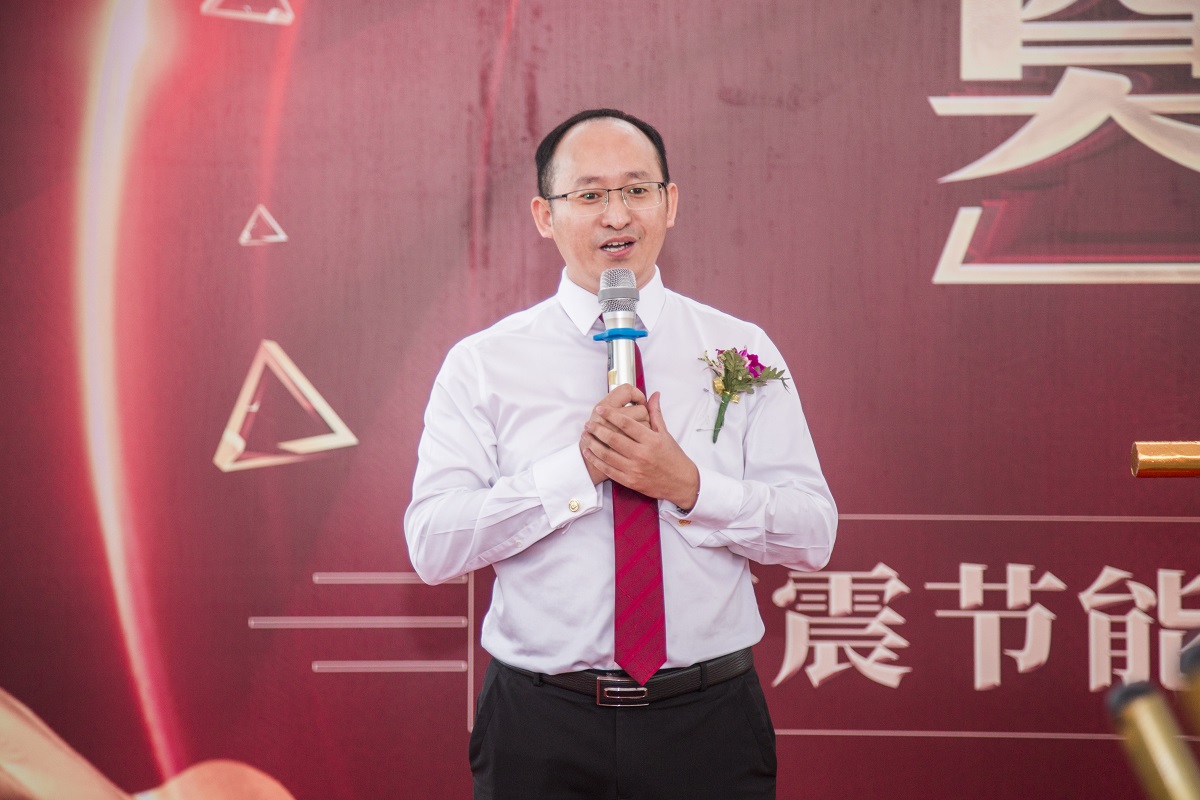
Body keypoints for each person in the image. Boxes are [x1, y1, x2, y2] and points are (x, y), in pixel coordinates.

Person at [404, 108, 837, 799]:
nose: (617, 215)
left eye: (637, 190)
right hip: (540, 725)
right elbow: (433, 546)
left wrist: (690, 486)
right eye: (590, 194)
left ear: (670, 203)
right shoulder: (484, 363)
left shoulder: (740, 349)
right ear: (545, 215)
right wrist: (577, 471)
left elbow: (813, 533)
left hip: (708, 722)